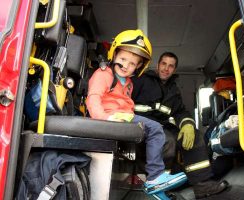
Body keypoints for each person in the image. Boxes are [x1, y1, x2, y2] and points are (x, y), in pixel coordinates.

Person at [86, 30, 186, 196]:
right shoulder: (103, 74)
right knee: (155, 129)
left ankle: (155, 187)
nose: (126, 65)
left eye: (132, 63)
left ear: (139, 66)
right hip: (110, 119)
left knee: (154, 133)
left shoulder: (129, 83)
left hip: (124, 118)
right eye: (123, 59)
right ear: (114, 54)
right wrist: (105, 119)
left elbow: (127, 106)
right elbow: (93, 98)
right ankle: (155, 177)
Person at [132, 52, 228, 198]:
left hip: (163, 127)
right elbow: (125, 101)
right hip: (141, 127)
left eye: (171, 66)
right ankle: (160, 188)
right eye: (163, 64)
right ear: (157, 65)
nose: (166, 68)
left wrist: (187, 124)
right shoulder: (141, 80)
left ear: (174, 70)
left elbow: (180, 111)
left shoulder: (173, 90)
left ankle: (202, 184)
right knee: (167, 141)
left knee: (195, 136)